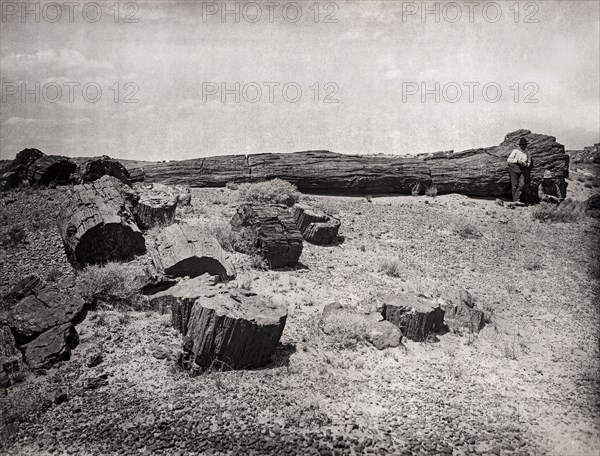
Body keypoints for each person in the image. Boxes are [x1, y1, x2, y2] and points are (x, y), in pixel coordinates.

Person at [507, 137, 533, 204]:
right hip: (514, 167)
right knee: (514, 185)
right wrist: (518, 161)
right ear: (520, 145)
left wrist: (526, 164)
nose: (524, 146)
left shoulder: (527, 152)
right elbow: (509, 160)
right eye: (523, 145)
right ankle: (515, 201)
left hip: (522, 169)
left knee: (522, 184)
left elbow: (529, 162)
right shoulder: (515, 151)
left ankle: (516, 199)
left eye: (525, 145)